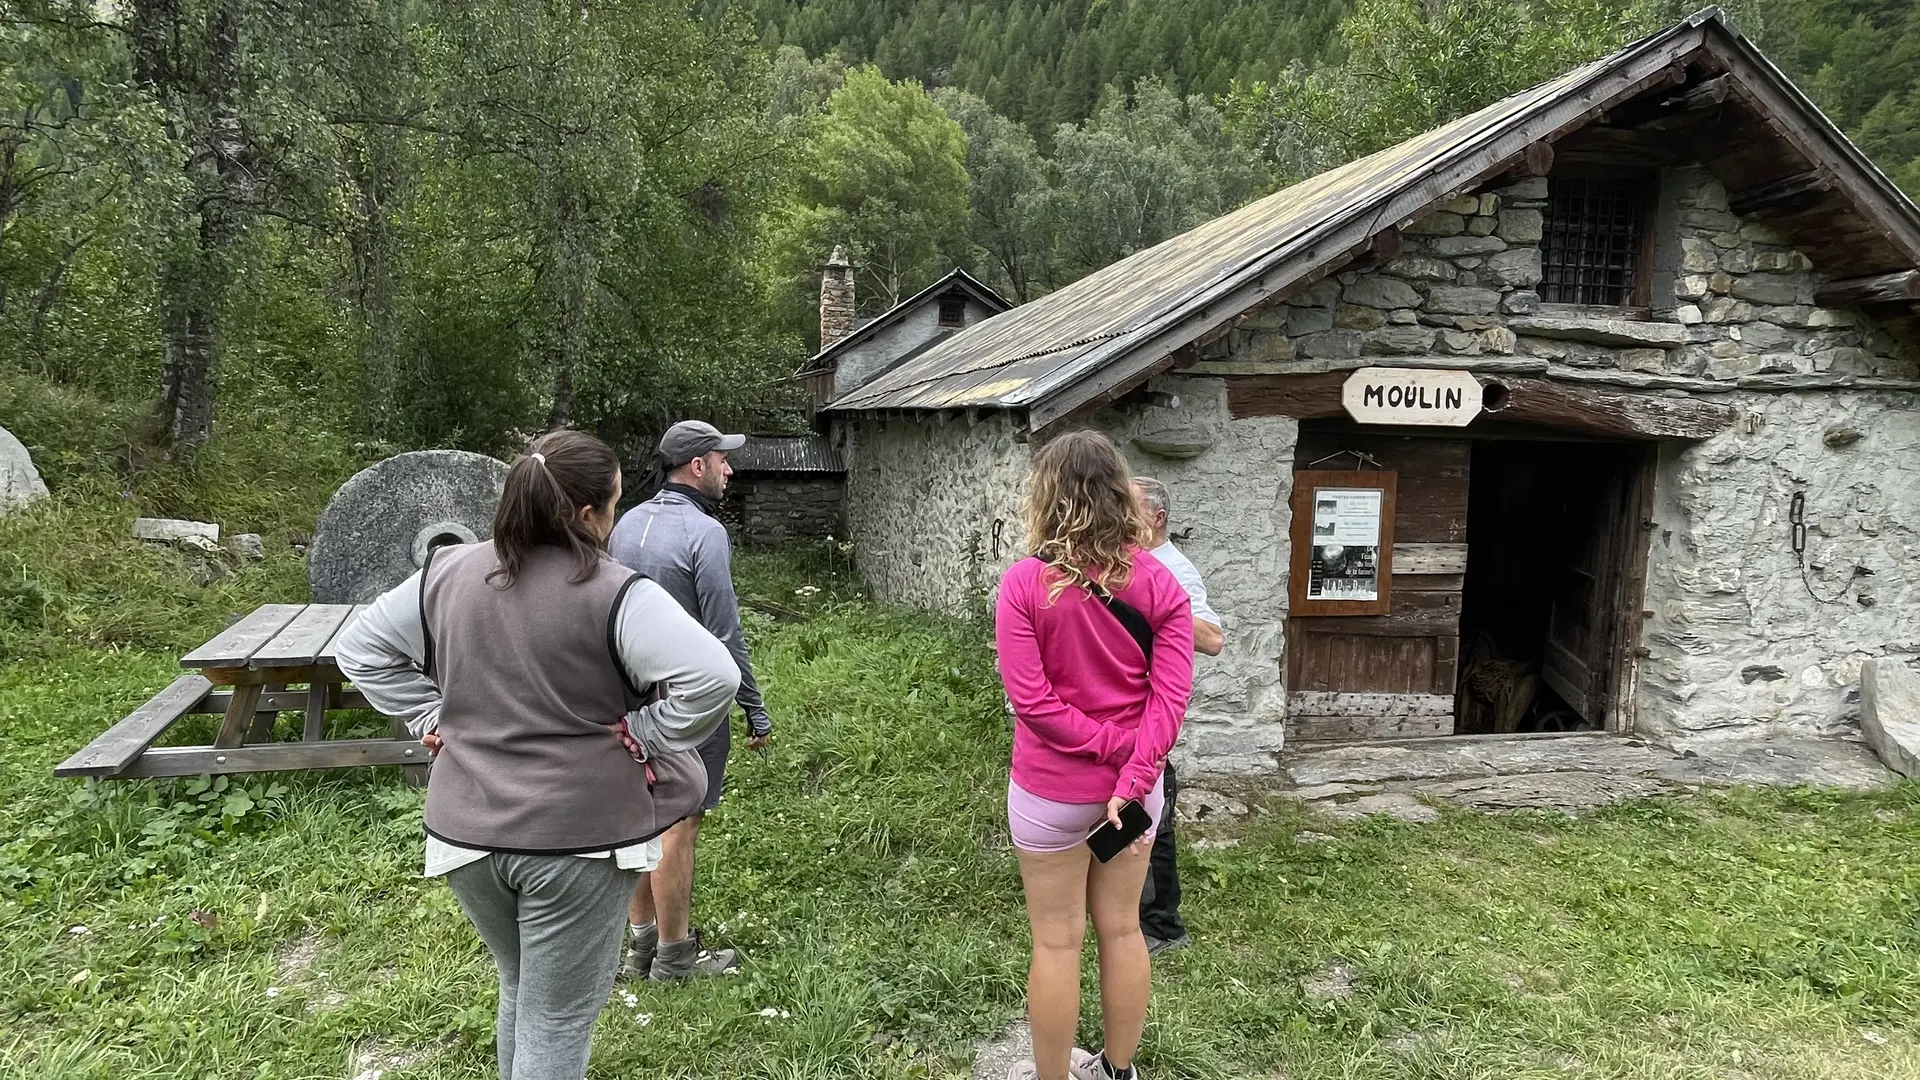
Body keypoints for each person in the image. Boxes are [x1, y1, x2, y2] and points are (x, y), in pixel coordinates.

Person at [334, 429, 740, 1080]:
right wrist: (651, 732)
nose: (613, 517)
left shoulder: (446, 571)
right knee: (556, 1020)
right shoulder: (615, 592)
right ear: (586, 515)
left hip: (465, 837)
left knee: (523, 989)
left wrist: (428, 713)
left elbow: (358, 650)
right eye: (610, 503)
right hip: (574, 845)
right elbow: (714, 676)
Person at [996, 430, 1195, 1080]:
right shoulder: (1161, 585)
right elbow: (1170, 701)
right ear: (1121, 494)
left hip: (1051, 794)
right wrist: (1134, 769)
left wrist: (1115, 759)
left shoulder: (1025, 586)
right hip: (1131, 799)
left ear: (1045, 498)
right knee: (1122, 930)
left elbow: (1035, 706)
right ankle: (1116, 1070)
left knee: (1057, 942)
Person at [607, 419, 772, 981]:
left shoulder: (626, 522)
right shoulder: (705, 534)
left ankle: (639, 945)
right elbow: (724, 636)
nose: (730, 468)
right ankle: (676, 958)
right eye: (722, 459)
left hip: (624, 696)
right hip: (685, 699)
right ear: (697, 466)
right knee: (679, 819)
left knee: (634, 814)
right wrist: (754, 706)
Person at [1130, 477, 1224, 957]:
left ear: (1157, 516)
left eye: (1130, 507)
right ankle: (1124, 908)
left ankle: (1163, 925)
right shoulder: (1128, 560)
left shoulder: (1174, 569)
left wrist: (1160, 607)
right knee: (1127, 809)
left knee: (1154, 816)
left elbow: (1212, 639)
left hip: (1154, 712)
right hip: (1126, 709)